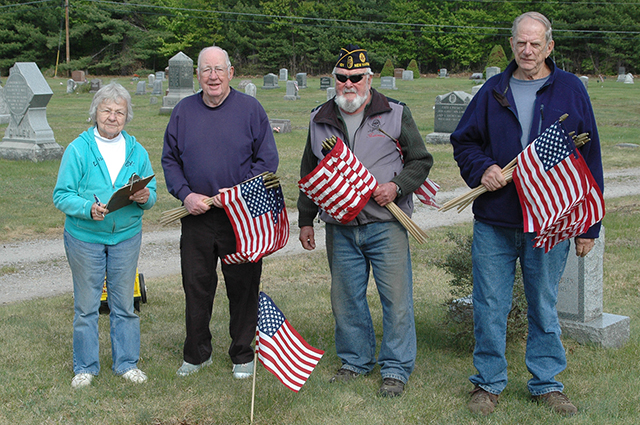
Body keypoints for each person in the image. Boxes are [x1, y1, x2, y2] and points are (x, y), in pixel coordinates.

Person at [450, 12, 604, 416]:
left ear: (550, 46)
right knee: (489, 304)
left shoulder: (569, 89)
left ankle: (547, 383)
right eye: (521, 42)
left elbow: (590, 157)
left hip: (549, 221)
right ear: (512, 43)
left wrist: (589, 224)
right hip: (495, 222)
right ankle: (487, 383)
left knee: (544, 304)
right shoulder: (493, 89)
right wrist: (482, 167)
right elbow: (464, 141)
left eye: (536, 43)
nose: (528, 50)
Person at [297, 44, 433, 397]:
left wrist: (396, 186)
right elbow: (309, 172)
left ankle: (396, 367)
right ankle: (356, 360)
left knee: (396, 300)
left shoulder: (395, 113)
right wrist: (306, 220)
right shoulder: (319, 118)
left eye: (356, 78)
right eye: (341, 78)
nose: (348, 84)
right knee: (346, 299)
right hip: (340, 226)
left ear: (368, 79)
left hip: (385, 223)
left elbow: (420, 160)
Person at [162, 46, 279, 379]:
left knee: (243, 286)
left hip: (241, 217)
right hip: (197, 216)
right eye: (206, 70)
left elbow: (267, 160)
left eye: (218, 69)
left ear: (231, 73)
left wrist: (237, 192)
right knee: (196, 286)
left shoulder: (250, 109)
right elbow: (170, 160)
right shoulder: (183, 111)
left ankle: (243, 354)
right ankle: (197, 354)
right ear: (198, 75)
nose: (212, 76)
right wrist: (185, 195)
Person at [53, 82, 157, 389]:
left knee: (124, 304)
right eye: (106, 110)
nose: (112, 117)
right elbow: (61, 195)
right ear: (95, 112)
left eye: (119, 112)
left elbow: (151, 194)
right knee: (86, 306)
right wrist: (87, 208)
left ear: (127, 117)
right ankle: (85, 367)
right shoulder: (78, 149)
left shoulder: (136, 150)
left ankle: (126, 363)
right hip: (85, 237)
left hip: (126, 236)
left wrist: (143, 198)